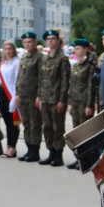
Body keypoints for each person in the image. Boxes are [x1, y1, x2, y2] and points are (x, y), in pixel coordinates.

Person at [37, 29, 71, 167]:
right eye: (48, 39)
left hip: (56, 99)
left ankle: (58, 155)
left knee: (58, 128)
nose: (50, 41)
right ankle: (50, 152)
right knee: (47, 127)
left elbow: (64, 81)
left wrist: (62, 100)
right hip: (44, 99)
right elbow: (41, 79)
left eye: (53, 39)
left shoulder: (62, 58)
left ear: (58, 41)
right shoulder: (44, 58)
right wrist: (39, 97)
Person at [16, 31, 43, 162]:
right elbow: (19, 77)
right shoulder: (24, 57)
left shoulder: (40, 57)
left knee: (35, 124)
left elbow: (43, 79)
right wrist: (17, 93)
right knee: (26, 124)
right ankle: (28, 149)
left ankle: (35, 151)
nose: (27, 44)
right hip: (22, 96)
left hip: (33, 97)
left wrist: (39, 96)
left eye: (30, 42)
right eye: (25, 42)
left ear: (35, 42)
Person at [68, 38, 97, 144]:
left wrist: (89, 105)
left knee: (86, 131)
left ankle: (88, 158)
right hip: (75, 102)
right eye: (74, 49)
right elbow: (71, 86)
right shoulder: (75, 65)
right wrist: (69, 103)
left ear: (85, 49)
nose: (75, 51)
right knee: (76, 130)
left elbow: (91, 86)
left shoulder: (90, 65)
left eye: (78, 49)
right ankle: (79, 158)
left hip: (84, 103)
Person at [0, 39, 21, 158]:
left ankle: (13, 146)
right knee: (6, 122)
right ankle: (8, 145)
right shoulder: (3, 62)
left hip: (11, 93)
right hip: (2, 92)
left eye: (10, 49)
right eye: (5, 49)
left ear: (14, 50)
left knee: (13, 122)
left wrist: (13, 99)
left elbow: (17, 81)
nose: (8, 51)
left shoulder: (16, 62)